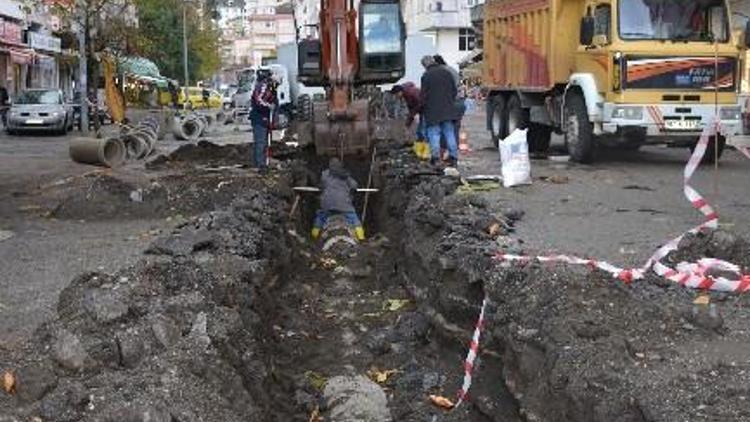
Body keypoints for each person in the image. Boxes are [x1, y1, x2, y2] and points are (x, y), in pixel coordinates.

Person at [311, 158, 365, 241]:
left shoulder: (325, 174)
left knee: (320, 217)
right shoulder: (346, 176)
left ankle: (313, 237)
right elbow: (355, 185)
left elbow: (321, 185)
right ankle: (361, 238)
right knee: (354, 218)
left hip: (327, 205)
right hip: (344, 206)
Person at [420, 55, 460, 167]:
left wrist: (421, 109)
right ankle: (454, 158)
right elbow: (454, 91)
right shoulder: (447, 73)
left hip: (432, 111)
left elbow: (423, 96)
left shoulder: (426, 76)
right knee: (449, 133)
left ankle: (436, 158)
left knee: (434, 134)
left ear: (425, 65)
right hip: (448, 109)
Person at [249, 71, 278, 173]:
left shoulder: (272, 89)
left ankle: (262, 162)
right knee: (260, 142)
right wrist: (268, 106)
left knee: (264, 142)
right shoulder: (262, 86)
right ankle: (259, 164)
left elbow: (275, 104)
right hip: (258, 118)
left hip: (265, 119)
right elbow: (258, 100)